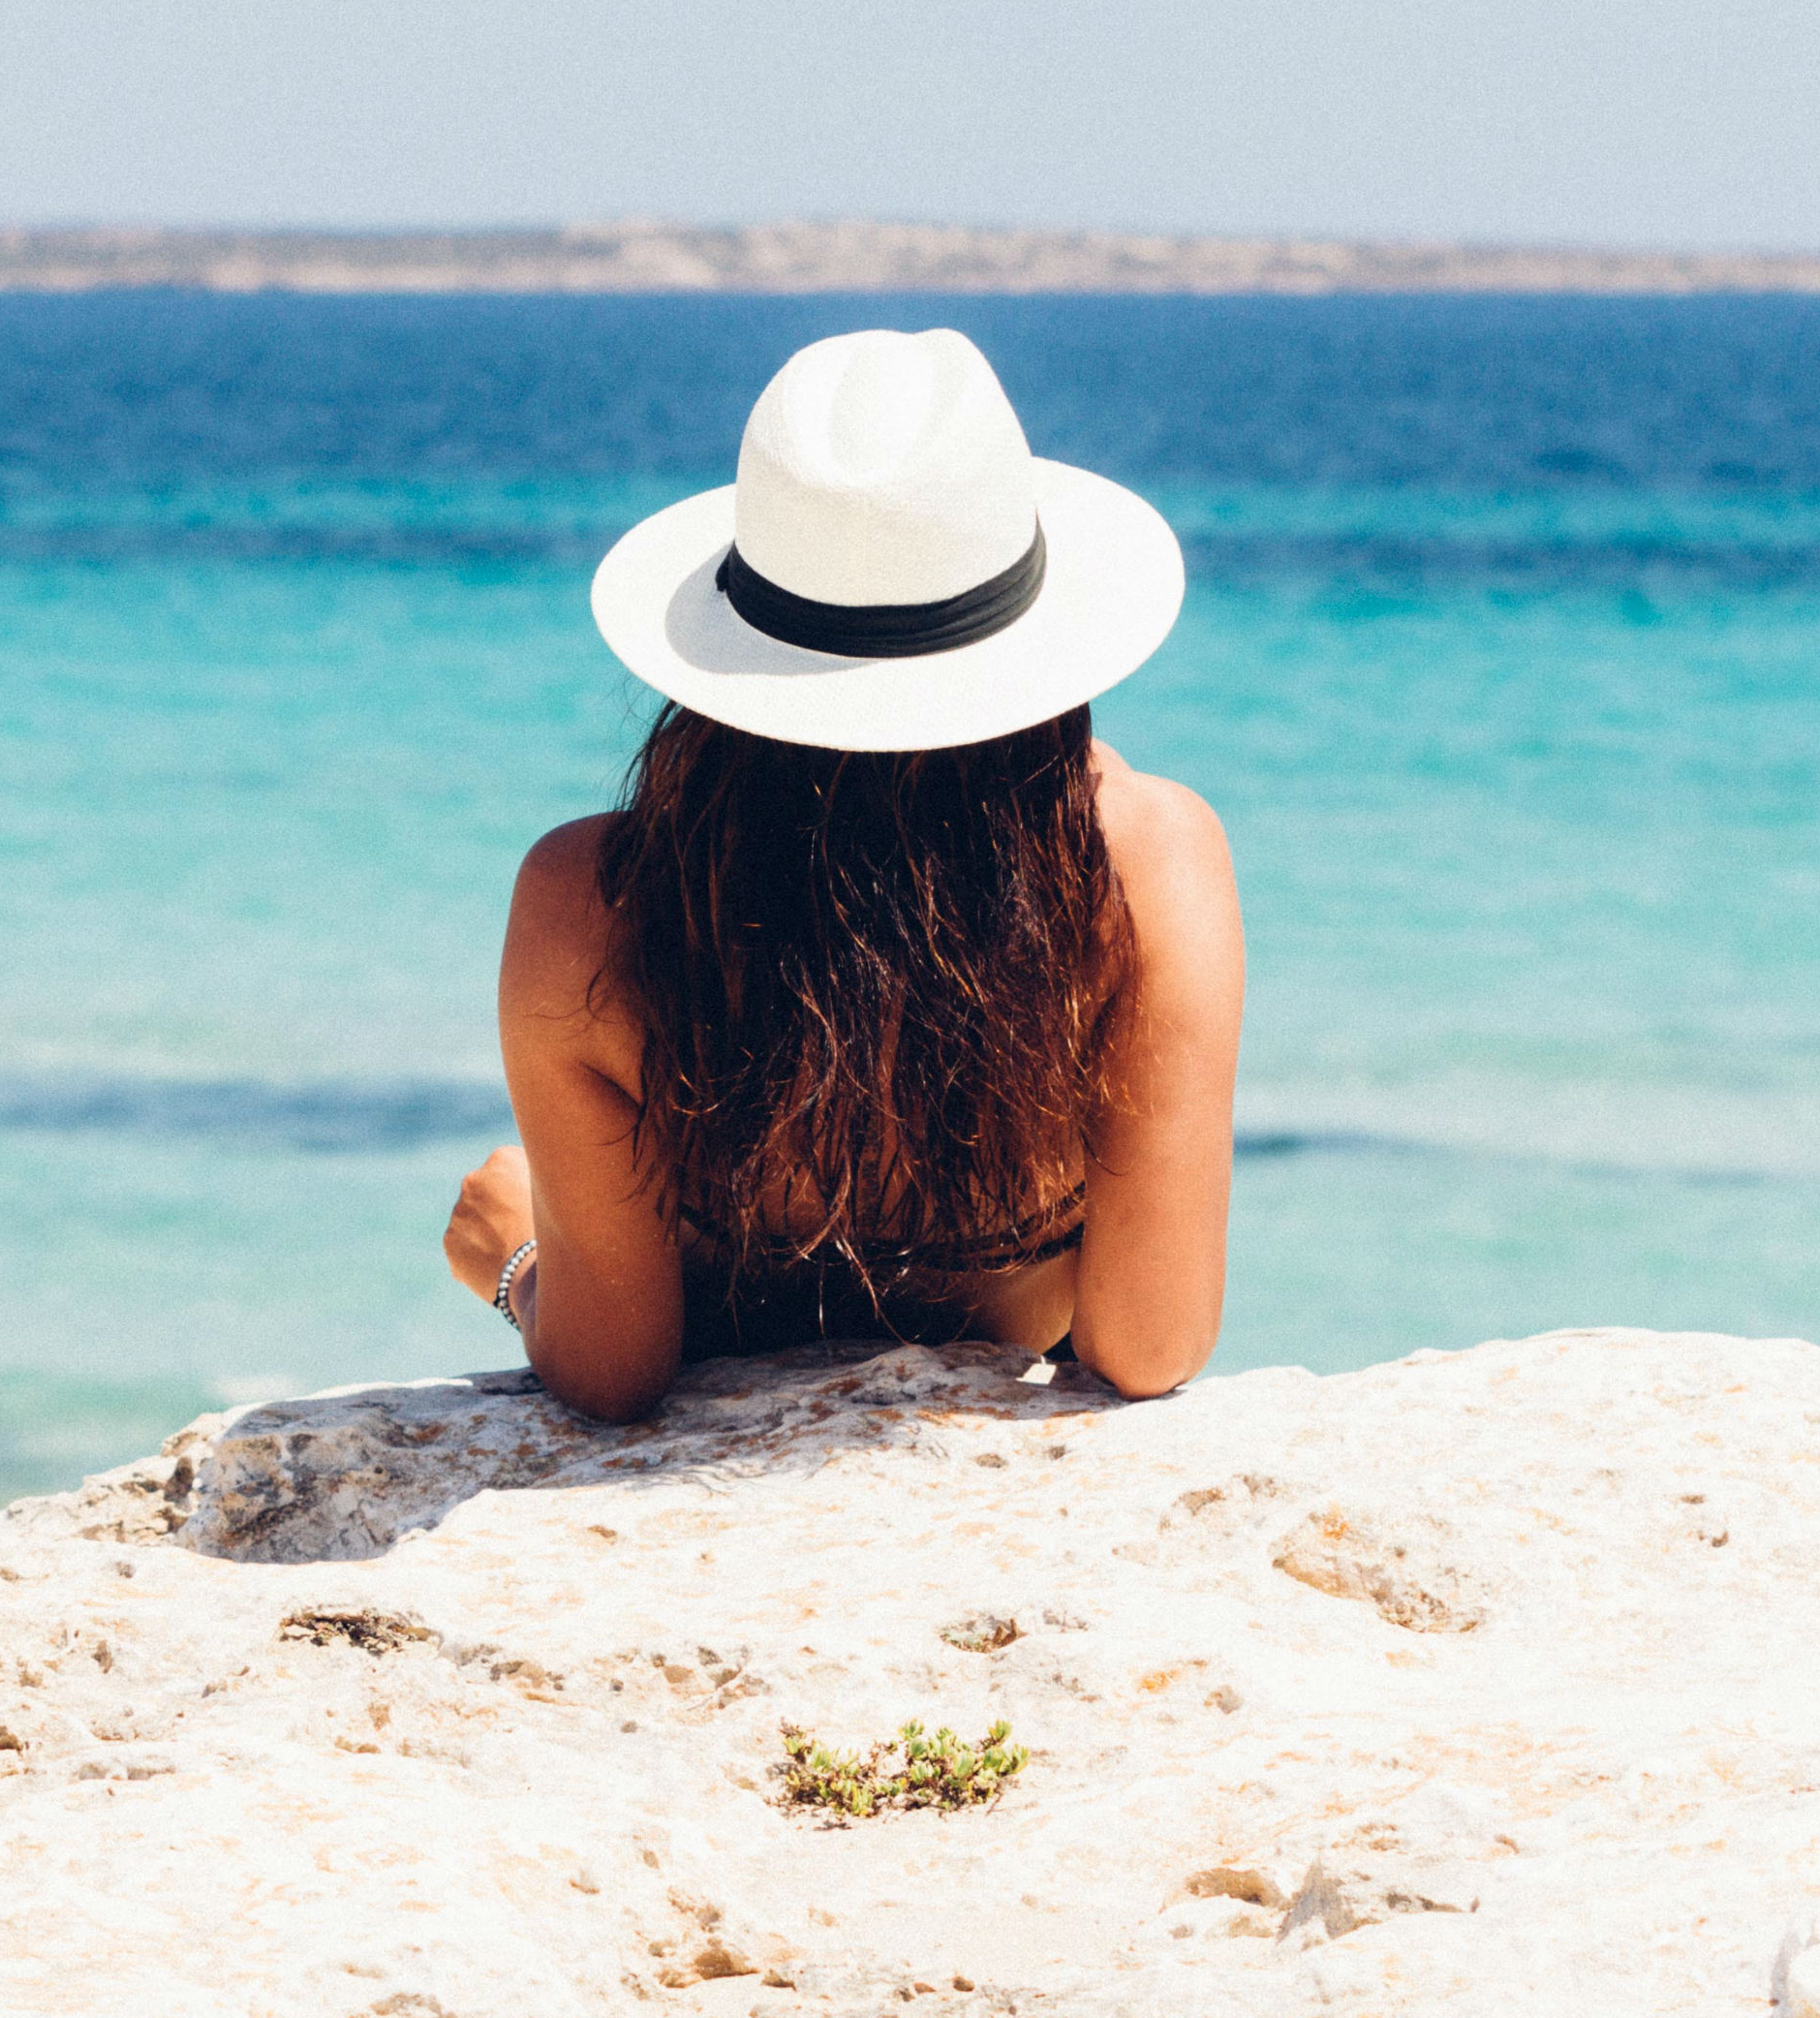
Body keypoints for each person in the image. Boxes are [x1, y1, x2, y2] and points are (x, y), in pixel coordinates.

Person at [441, 328, 1245, 1421]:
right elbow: (1149, 1344)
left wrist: (515, 1255)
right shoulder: (1145, 862)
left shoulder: (593, 899)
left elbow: (613, 1372)